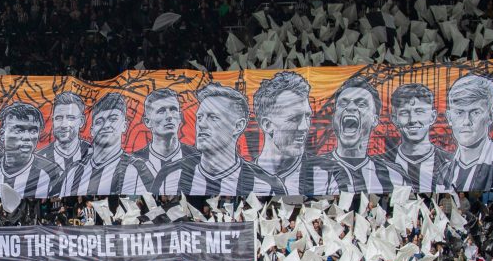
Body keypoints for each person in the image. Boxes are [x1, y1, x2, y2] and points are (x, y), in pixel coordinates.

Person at [153, 83, 286, 196]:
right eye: (199, 117)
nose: (201, 124)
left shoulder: (268, 185)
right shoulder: (169, 174)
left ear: (238, 126)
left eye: (213, 117)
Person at [252, 71, 352, 195]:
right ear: (267, 125)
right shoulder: (242, 177)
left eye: (307, 116)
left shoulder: (331, 173)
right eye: (294, 119)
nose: (305, 127)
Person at [437, 75, 493, 192]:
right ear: (449, 117)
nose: (466, 121)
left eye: (475, 112)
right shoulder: (445, 170)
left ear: (491, 116)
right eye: (459, 113)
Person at [325, 77, 408, 194]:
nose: (350, 107)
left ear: (375, 120)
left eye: (361, 104)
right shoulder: (312, 170)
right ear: (334, 117)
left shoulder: (394, 174)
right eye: (343, 103)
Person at [60, 93, 153, 196]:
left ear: (124, 126)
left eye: (113, 119)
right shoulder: (73, 171)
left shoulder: (139, 168)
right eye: (99, 122)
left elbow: (147, 203)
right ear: (92, 130)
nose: (106, 125)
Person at [0, 102, 64, 199]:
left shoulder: (53, 172)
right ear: (3, 134)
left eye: (33, 131)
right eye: (19, 130)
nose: (27, 137)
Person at [383, 83, 452, 193]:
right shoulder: (381, 163)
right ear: (395, 119)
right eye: (404, 113)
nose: (412, 120)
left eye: (419, 112)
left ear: (433, 116)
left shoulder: (450, 162)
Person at [133, 88, 198, 175]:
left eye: (173, 109)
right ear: (147, 122)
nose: (169, 116)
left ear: (180, 117)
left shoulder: (197, 158)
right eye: (161, 111)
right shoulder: (134, 162)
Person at [37, 92, 92, 170]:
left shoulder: (93, 153)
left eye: (71, 118)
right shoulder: (38, 159)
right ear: (53, 121)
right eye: (59, 118)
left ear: (81, 121)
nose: (64, 125)